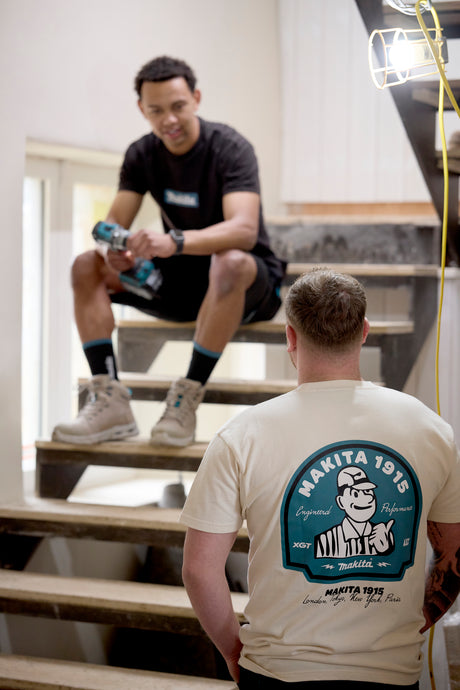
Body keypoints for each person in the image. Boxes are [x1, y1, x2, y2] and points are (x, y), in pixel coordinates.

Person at [180, 267, 460, 689]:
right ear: (364, 332)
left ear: (290, 337)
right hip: (392, 674)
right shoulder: (431, 429)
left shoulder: (241, 435)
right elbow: (454, 552)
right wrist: (410, 625)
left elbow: (199, 570)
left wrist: (235, 654)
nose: (365, 497)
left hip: (278, 672)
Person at [52, 55, 284, 447]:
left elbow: (244, 231)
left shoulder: (230, 148)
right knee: (85, 265)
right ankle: (110, 400)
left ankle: (185, 399)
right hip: (178, 283)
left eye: (178, 106)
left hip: (247, 286)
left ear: (196, 98)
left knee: (229, 261)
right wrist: (115, 252)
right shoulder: (141, 154)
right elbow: (113, 225)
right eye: (156, 110)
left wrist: (174, 241)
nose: (169, 120)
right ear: (142, 109)